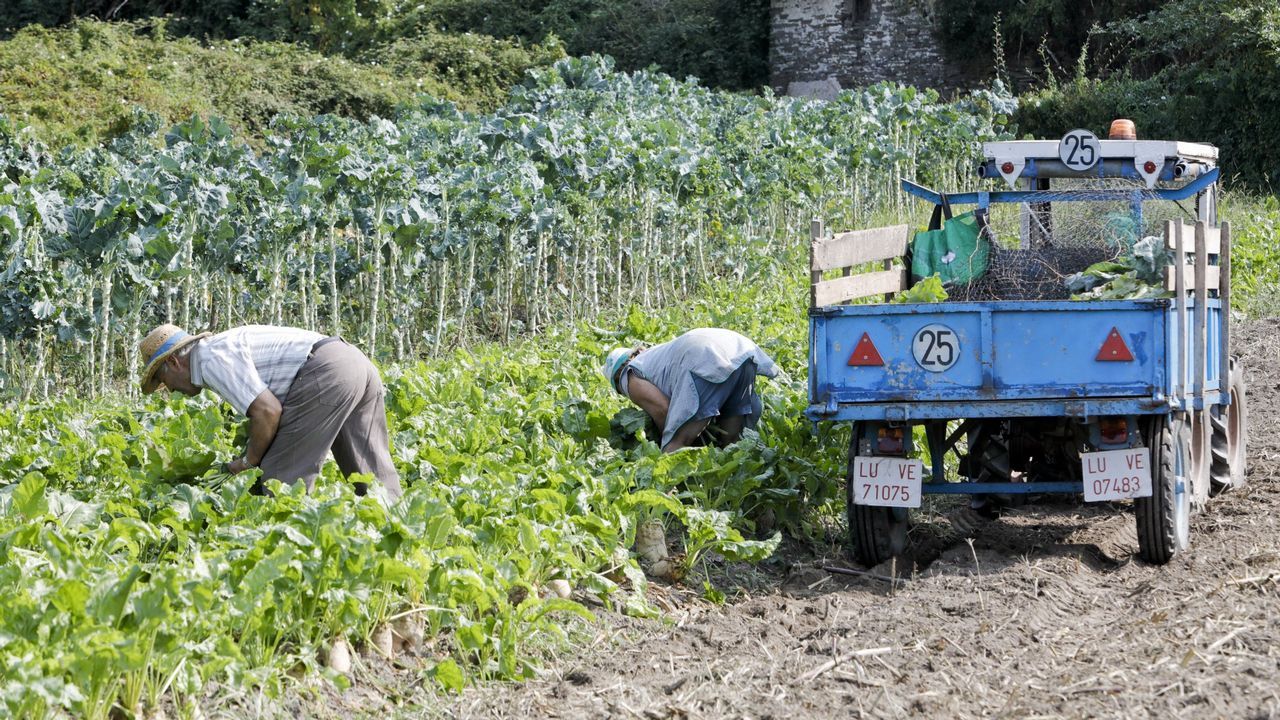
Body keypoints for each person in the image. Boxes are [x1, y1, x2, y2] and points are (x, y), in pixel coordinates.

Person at [138, 323, 403, 500]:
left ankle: (288, 564)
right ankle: (398, 544)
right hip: (353, 360)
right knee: (371, 472)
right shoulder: (219, 348)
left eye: (163, 380)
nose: (168, 389)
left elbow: (267, 412)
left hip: (326, 373)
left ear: (173, 362)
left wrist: (246, 463)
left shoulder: (208, 359)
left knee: (280, 480)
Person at [603, 328, 778, 452]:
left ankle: (669, 499)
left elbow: (663, 410)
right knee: (731, 444)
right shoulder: (654, 355)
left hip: (706, 358)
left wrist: (670, 439)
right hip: (740, 350)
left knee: (675, 447)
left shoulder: (629, 374)